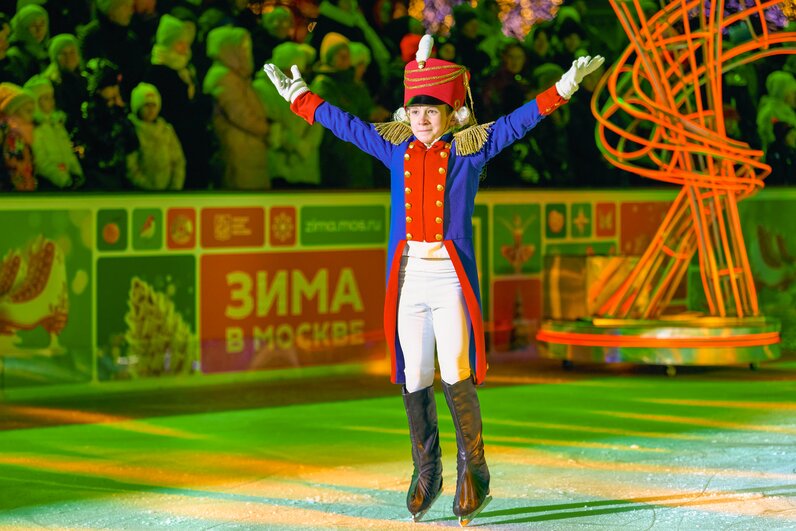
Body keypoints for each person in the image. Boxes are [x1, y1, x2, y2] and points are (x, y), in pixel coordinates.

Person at [264, 35, 604, 526]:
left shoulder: (469, 151)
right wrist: (300, 98)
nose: (422, 119)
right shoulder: (394, 148)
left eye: (432, 111)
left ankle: (474, 470)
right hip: (409, 280)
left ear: (451, 114)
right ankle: (427, 470)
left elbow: (519, 121)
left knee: (455, 372)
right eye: (416, 111)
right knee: (416, 374)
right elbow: (346, 126)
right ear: (406, 114)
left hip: (449, 279)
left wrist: (565, 86)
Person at [24, 75, 84, 189]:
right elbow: (41, 161)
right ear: (35, 101)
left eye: (52, 97)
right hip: (50, 184)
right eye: (46, 98)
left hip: (69, 180)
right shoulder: (35, 127)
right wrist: (64, 180)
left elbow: (68, 151)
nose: (51, 101)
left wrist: (77, 173)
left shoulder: (56, 123)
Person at [127, 81, 186, 190]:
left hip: (169, 192)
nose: (151, 110)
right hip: (143, 193)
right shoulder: (131, 131)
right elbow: (131, 167)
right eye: (146, 105)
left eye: (153, 105)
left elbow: (178, 161)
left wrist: (175, 188)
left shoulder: (166, 130)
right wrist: (150, 190)